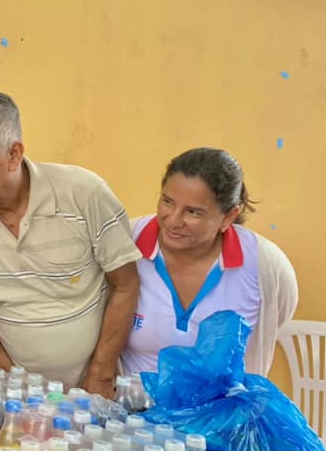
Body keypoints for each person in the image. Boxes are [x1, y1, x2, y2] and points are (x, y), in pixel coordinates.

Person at [0, 89, 140, 397]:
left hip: (87, 393)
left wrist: (100, 375)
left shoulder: (84, 194)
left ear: (13, 154)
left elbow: (125, 284)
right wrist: (11, 379)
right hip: (3, 394)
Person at [122, 147, 298, 376]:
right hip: (131, 398)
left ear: (228, 217)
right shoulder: (125, 244)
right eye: (167, 201)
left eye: (193, 212)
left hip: (224, 401)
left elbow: (275, 317)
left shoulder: (266, 266)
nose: (173, 221)